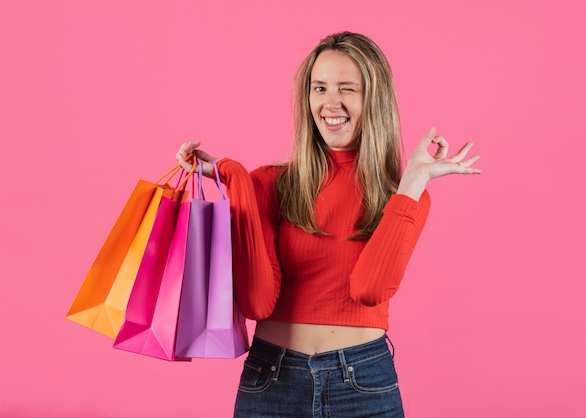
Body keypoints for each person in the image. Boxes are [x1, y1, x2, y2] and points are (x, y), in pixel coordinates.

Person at [176, 31, 480, 418]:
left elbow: (369, 290)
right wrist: (231, 176)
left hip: (364, 384)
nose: (330, 103)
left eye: (346, 88)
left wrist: (413, 184)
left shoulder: (402, 197)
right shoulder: (269, 183)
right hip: (272, 380)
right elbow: (256, 303)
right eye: (319, 88)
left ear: (374, 99)